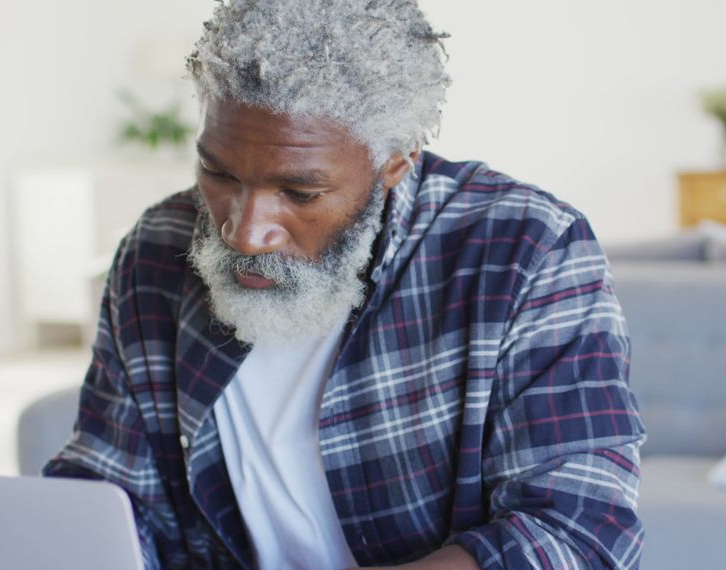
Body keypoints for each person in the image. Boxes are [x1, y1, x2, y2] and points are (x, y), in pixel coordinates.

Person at [44, 1, 646, 568]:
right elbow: (111, 500)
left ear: (395, 162)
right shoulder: (155, 253)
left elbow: (578, 534)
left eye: (300, 193)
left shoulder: (526, 249)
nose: (244, 232)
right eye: (217, 172)